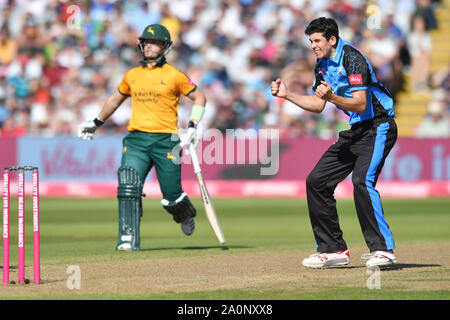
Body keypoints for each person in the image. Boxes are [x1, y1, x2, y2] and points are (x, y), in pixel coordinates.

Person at [271, 17, 398, 269]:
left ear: (332, 39)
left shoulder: (352, 57)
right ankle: (333, 250)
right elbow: (318, 105)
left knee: (362, 181)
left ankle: (383, 250)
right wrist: (287, 95)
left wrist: (332, 96)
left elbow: (361, 103)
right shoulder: (322, 64)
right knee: (316, 181)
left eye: (317, 40)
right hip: (356, 130)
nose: (313, 45)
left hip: (379, 126)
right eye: (310, 41)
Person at [78, 24, 207, 251]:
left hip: (166, 141)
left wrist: (193, 126)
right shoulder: (132, 75)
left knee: (172, 197)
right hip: (136, 140)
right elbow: (114, 100)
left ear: (165, 47)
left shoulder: (175, 76)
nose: (148, 45)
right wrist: (96, 122)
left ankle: (184, 214)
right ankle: (127, 237)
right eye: (146, 42)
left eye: (154, 42)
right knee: (128, 185)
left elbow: (200, 98)